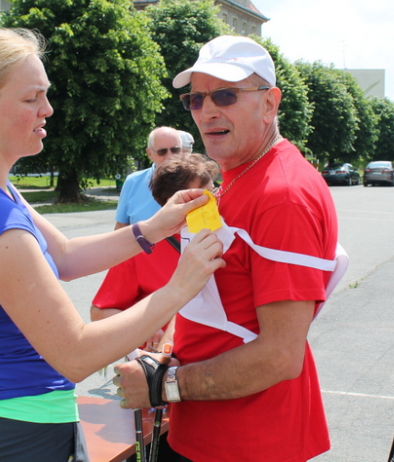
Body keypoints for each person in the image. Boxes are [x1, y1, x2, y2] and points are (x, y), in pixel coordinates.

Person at [0, 28, 224, 461]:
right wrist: (179, 288)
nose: (47, 109)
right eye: (32, 97)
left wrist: (154, 227)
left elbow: (66, 256)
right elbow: (75, 354)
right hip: (13, 432)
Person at [113, 35, 338, 462]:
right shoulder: (236, 175)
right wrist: (168, 348)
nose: (208, 111)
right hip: (205, 431)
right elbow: (219, 296)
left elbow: (279, 356)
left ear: (270, 103)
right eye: (195, 99)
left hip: (247, 442)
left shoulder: (282, 194)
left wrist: (163, 383)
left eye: (226, 95)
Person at [91, 154, 220, 351]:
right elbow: (100, 313)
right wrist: (143, 329)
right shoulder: (141, 249)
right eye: (201, 196)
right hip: (168, 363)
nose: (214, 201)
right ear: (175, 201)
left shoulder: (229, 238)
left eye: (214, 191)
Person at [114, 126, 183, 230]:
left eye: (175, 150)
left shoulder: (196, 181)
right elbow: (121, 227)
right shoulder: (133, 182)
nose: (170, 156)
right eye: (162, 151)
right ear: (150, 153)